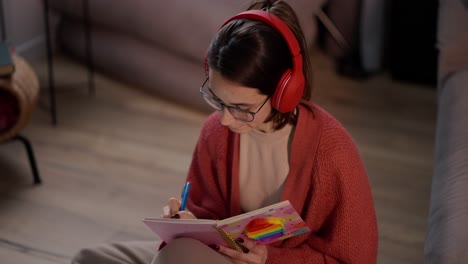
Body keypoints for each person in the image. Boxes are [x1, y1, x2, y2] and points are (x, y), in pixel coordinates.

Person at [71, 0, 378, 263]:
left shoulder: (331, 151)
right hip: (215, 255)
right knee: (88, 258)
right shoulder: (215, 133)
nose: (225, 121)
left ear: (285, 92)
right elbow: (210, 218)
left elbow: (352, 260)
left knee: (176, 258)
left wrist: (271, 258)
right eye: (217, 100)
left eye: (242, 107)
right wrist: (189, 224)